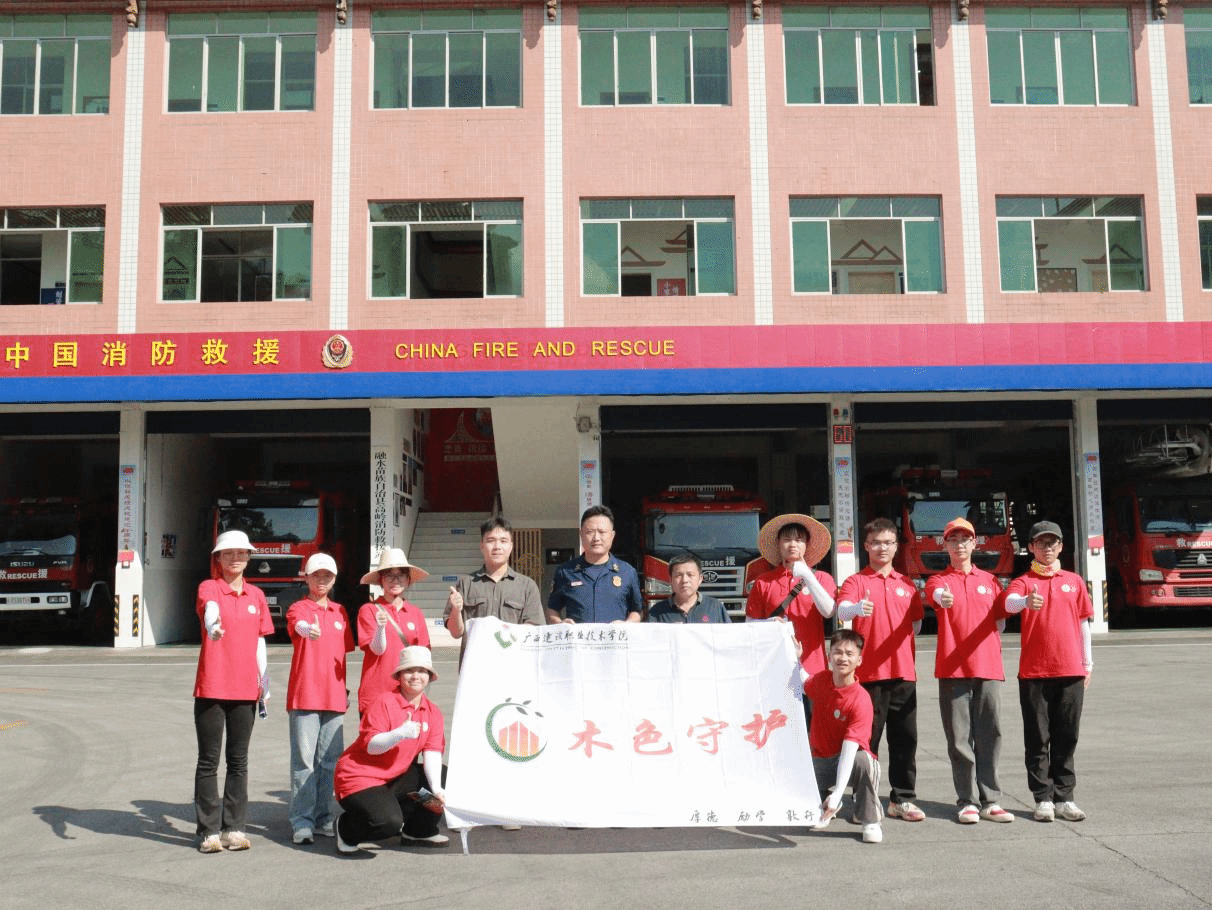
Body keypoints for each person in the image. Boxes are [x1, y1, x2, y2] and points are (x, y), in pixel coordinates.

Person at [996, 521, 1093, 823]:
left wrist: (1088, 664)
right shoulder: (1024, 582)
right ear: (1031, 548)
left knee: (1067, 736)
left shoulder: (1074, 581)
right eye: (1041, 543)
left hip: (1070, 670)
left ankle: (1065, 797)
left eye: (1052, 542)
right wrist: (1026, 601)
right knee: (1038, 738)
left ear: (1061, 547)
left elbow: (1084, 624)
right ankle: (1043, 798)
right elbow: (1008, 603)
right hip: (1035, 673)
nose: (1047, 548)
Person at [836, 517, 925, 823]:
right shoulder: (856, 582)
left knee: (904, 741)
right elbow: (841, 610)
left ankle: (902, 799)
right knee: (867, 743)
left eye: (888, 542)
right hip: (868, 678)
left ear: (896, 546)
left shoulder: (906, 584)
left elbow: (916, 623)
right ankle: (863, 800)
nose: (882, 548)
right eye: (876, 543)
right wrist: (856, 609)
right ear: (866, 546)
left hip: (903, 674)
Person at [924, 518, 1013, 825]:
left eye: (965, 539)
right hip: (953, 669)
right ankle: (966, 801)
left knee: (990, 734)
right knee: (959, 739)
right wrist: (942, 598)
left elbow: (1001, 621)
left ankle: (991, 800)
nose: (959, 545)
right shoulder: (938, 581)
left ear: (975, 543)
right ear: (945, 545)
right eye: (953, 539)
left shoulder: (990, 582)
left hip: (988, 667)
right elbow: (934, 596)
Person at [192, 529, 273, 854]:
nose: (235, 558)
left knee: (238, 761)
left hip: (245, 689)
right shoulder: (209, 587)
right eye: (228, 553)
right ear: (219, 558)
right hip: (212, 686)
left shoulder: (256, 595)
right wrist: (212, 626)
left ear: (249, 558)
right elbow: (210, 608)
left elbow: (260, 641)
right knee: (208, 761)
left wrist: (265, 683)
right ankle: (208, 832)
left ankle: (234, 829)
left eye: (241, 553)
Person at [333, 646, 448, 853]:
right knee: (387, 823)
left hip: (395, 776)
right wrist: (399, 733)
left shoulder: (433, 712)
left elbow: (432, 753)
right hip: (359, 778)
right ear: (400, 676)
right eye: (409, 671)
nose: (415, 676)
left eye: (422, 671)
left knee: (441, 776)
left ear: (429, 677)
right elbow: (372, 747)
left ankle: (419, 830)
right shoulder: (383, 702)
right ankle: (346, 828)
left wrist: (437, 790)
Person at [285, 552, 355, 845]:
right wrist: (306, 629)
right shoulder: (299, 608)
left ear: (334, 579)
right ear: (307, 578)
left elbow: (342, 656)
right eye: (316, 575)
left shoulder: (340, 612)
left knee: (329, 762)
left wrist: (345, 691)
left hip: (334, 697)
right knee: (304, 763)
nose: (322, 580)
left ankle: (324, 817)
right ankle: (302, 821)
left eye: (327, 575)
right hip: (305, 696)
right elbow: (297, 626)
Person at [745, 513, 837, 714]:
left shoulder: (822, 578)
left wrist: (807, 575)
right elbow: (749, 625)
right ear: (778, 544)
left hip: (813, 668)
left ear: (807, 545)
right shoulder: (763, 582)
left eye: (799, 540)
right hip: (774, 668)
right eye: (787, 539)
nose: (793, 545)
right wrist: (768, 624)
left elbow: (829, 611)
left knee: (814, 727)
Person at [806, 629, 883, 845]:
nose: (843, 658)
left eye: (849, 654)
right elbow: (800, 679)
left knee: (864, 760)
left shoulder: (861, 700)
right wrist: (793, 655)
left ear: (859, 660)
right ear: (829, 656)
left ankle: (869, 820)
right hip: (820, 761)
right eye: (837, 652)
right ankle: (825, 803)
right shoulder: (820, 681)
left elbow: (849, 752)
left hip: (847, 761)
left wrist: (839, 793)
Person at [445, 516, 545, 665]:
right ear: (481, 545)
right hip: (475, 668)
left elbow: (534, 630)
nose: (497, 546)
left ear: (511, 546)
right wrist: (456, 610)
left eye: (503, 541)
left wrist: (505, 640)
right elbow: (455, 633)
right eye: (491, 540)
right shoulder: (465, 584)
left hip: (514, 667)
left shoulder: (527, 586)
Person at [356, 547, 430, 717]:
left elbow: (423, 655)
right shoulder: (368, 610)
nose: (395, 580)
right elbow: (377, 649)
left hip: (408, 695)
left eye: (401, 575)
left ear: (408, 580)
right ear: (381, 580)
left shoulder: (415, 613)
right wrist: (380, 627)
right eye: (389, 575)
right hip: (376, 695)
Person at [546, 505, 642, 624]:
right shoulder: (565, 572)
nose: (596, 538)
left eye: (602, 532)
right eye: (590, 532)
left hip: (614, 636)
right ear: (581, 534)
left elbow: (637, 611)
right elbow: (552, 609)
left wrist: (627, 625)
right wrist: (560, 624)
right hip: (579, 636)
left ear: (612, 536)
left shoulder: (627, 572)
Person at [646, 552, 731, 623]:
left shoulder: (715, 607)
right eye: (678, 575)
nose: (684, 580)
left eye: (690, 575)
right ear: (670, 580)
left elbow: (728, 636)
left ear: (700, 579)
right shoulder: (657, 612)